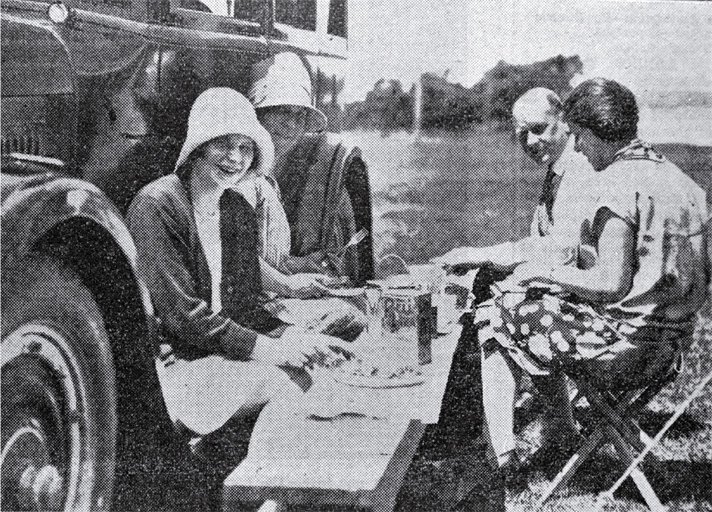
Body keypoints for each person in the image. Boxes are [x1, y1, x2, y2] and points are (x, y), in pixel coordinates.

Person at [477, 78, 709, 476]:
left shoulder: (617, 184)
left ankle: (503, 459)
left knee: (498, 311)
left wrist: (545, 272)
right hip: (669, 348)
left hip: (623, 351)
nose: (578, 148)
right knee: (534, 301)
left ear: (594, 132)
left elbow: (610, 284)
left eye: (579, 137)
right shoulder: (684, 184)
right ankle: (560, 431)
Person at [126, 88, 350, 438]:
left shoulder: (235, 208)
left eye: (245, 147)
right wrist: (274, 350)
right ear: (198, 147)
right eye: (223, 144)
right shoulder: (157, 205)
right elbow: (182, 317)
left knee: (315, 369)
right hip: (171, 367)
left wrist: (298, 338)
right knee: (287, 386)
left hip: (219, 353)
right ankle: (263, 485)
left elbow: (245, 306)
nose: (235, 158)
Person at [436, 87, 595, 271]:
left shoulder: (582, 167)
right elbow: (539, 241)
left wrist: (482, 255)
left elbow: (562, 252)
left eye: (538, 128)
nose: (530, 142)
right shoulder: (557, 168)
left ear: (565, 122)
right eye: (522, 134)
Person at [249, 52, 373, 285]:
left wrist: (302, 264)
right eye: (283, 111)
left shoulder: (268, 182)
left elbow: (267, 257)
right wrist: (291, 285)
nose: (291, 125)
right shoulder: (244, 181)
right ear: (259, 115)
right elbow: (234, 259)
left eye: (300, 116)